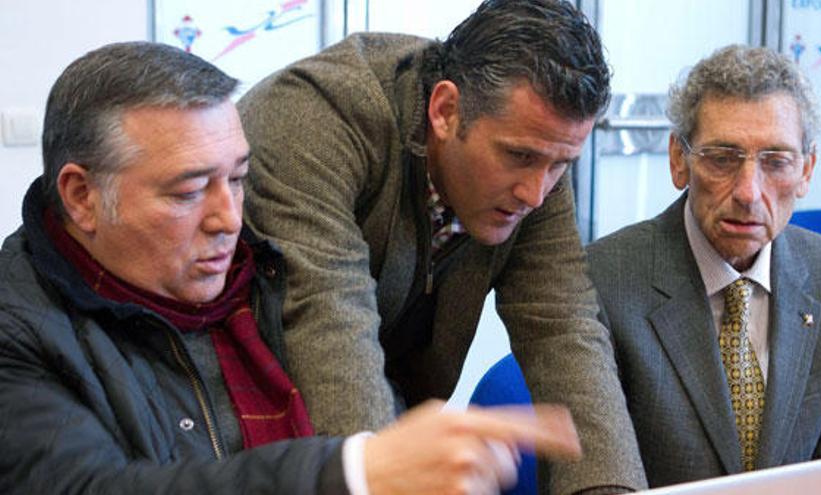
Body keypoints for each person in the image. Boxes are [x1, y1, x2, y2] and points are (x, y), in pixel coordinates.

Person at [0, 41, 585, 495]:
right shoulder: (16, 327)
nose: (229, 219)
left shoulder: (266, 273)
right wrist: (354, 470)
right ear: (80, 196)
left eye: (236, 178)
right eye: (187, 192)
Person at [237, 0, 646, 492]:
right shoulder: (315, 118)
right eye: (519, 156)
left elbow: (563, 331)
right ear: (445, 110)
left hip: (373, 429)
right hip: (249, 439)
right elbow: (328, 322)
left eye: (561, 165)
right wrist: (390, 476)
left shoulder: (536, 161)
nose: (537, 193)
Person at [583, 44, 821, 488]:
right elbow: (598, 480)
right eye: (722, 158)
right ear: (679, 160)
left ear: (807, 170)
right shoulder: (604, 281)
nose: (749, 192)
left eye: (776, 162)